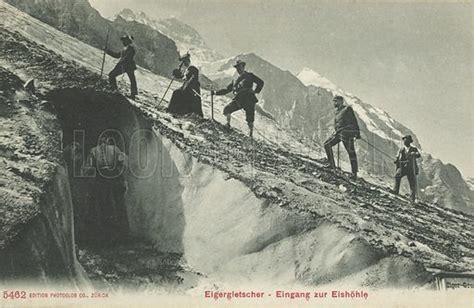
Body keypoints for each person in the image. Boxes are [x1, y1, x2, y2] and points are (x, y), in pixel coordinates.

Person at [83, 134, 129, 240]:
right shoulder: (115, 149)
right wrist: (121, 174)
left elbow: (88, 167)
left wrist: (89, 176)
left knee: (104, 205)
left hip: (101, 179)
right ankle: (122, 233)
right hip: (114, 177)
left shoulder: (94, 150)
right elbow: (123, 162)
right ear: (108, 140)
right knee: (118, 204)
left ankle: (108, 234)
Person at [211, 60, 264, 137]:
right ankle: (227, 125)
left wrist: (255, 91)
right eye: (237, 67)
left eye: (240, 67)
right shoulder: (235, 80)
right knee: (227, 109)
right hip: (239, 99)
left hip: (249, 99)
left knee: (250, 118)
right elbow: (227, 89)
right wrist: (215, 93)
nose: (238, 69)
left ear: (243, 67)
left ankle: (250, 135)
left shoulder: (250, 75)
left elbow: (261, 82)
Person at [324, 95, 361, 179]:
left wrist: (357, 134)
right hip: (338, 133)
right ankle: (331, 165)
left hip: (347, 134)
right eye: (334, 101)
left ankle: (354, 173)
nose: (334, 103)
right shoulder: (337, 111)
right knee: (327, 144)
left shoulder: (347, 109)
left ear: (341, 101)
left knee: (351, 152)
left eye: (335, 101)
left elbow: (354, 121)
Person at [106, 35, 137, 99]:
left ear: (128, 41)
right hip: (124, 65)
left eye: (124, 40)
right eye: (123, 40)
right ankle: (114, 90)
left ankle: (132, 94)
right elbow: (117, 55)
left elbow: (128, 57)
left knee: (132, 80)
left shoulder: (131, 49)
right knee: (112, 75)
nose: (123, 42)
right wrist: (107, 51)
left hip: (128, 66)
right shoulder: (124, 49)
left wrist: (121, 62)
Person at [392, 135, 421, 203]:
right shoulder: (401, 149)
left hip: (411, 168)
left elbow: (418, 155)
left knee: (412, 183)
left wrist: (414, 154)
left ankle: (412, 199)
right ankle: (395, 191)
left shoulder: (414, 149)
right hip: (403, 167)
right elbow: (397, 156)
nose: (404, 141)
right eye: (404, 140)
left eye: (406, 140)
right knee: (397, 176)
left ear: (409, 141)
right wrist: (396, 160)